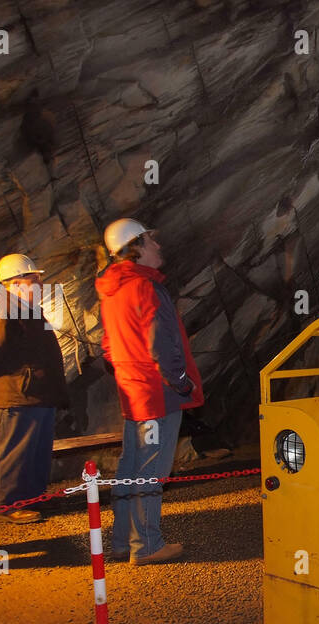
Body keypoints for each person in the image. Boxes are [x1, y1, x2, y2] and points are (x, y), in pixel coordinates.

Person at [95, 217, 203, 565]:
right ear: (136, 247)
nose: (159, 246)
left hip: (133, 393)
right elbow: (162, 345)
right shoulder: (146, 287)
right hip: (157, 394)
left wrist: (130, 375)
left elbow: (108, 346)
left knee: (131, 466)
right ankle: (148, 546)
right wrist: (181, 382)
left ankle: (122, 542)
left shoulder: (111, 289)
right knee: (152, 470)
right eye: (151, 241)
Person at [0, 253, 69, 523]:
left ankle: (34, 498)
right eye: (34, 279)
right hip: (18, 395)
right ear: (15, 282)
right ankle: (12, 504)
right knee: (17, 451)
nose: (40, 284)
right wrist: (21, 377)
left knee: (37, 449)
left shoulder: (26, 309)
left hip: (36, 394)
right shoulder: (1, 309)